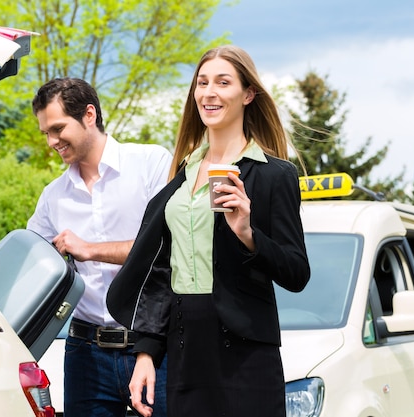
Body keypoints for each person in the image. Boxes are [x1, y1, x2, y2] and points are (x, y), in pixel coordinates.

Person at [106, 45, 311, 417]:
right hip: (186, 350)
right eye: (202, 83)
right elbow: (164, 272)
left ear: (248, 94)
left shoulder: (273, 176)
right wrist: (147, 353)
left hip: (248, 354)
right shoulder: (181, 177)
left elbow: (297, 273)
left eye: (222, 82)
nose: (208, 92)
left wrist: (248, 233)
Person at [26, 77, 171, 417]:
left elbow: (166, 248)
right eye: (45, 133)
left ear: (89, 115)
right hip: (85, 352)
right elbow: (29, 265)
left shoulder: (151, 164)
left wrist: (90, 249)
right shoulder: (53, 196)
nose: (51, 141)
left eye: (58, 128)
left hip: (154, 346)